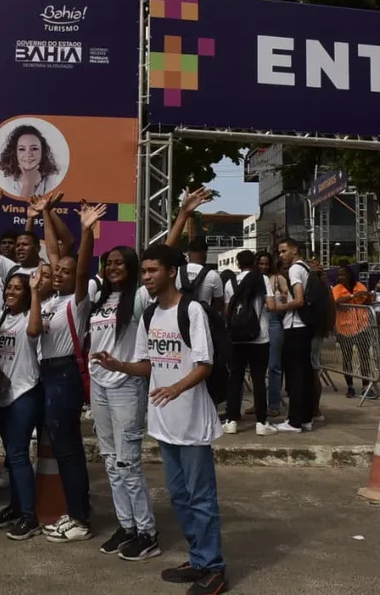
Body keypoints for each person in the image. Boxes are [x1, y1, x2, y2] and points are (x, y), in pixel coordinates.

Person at [131, 244, 228, 595]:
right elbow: (146, 364)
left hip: (191, 422)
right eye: (143, 272)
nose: (147, 277)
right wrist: (118, 365)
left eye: (152, 270)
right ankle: (199, 559)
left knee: (201, 497)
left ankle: (214, 568)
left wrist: (176, 388)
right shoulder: (149, 315)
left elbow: (205, 364)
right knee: (179, 497)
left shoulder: (192, 311)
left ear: (171, 271)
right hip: (163, 423)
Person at [32, 199, 102, 544]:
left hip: (63, 376)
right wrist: (46, 212)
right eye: (54, 270)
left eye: (64, 272)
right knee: (58, 448)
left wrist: (87, 230)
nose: (57, 272)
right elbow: (53, 252)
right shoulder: (48, 302)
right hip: (46, 374)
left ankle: (80, 518)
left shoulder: (78, 300)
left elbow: (81, 265)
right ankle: (71, 511)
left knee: (69, 450)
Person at [88, 246, 159, 560]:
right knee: (110, 460)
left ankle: (147, 533)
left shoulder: (139, 298)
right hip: (99, 386)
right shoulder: (100, 300)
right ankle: (127, 526)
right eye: (108, 263)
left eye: (119, 263)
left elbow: (161, 257)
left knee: (128, 462)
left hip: (126, 385)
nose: (112, 267)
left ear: (132, 267)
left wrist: (183, 215)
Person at [0, 273, 45, 541]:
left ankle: (30, 517)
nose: (10, 292)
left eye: (17, 289)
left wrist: (34, 292)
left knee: (19, 454)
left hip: (25, 392)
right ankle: (16, 506)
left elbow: (34, 331)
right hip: (1, 394)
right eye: (8, 288)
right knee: (11, 456)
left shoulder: (29, 319)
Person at [223, 249, 277, 435]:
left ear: (238, 264)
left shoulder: (230, 282)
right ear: (254, 262)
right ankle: (261, 422)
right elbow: (271, 306)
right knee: (259, 379)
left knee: (235, 378)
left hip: (236, 338)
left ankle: (231, 420)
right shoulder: (262, 279)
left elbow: (227, 310)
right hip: (259, 336)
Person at [275, 238, 314, 434]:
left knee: (295, 376)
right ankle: (305, 418)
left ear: (294, 250)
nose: (281, 255)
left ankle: (294, 421)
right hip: (305, 327)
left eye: (283, 251)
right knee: (305, 374)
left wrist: (279, 307)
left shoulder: (294, 270)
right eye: (279, 252)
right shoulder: (306, 268)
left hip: (295, 326)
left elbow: (299, 301)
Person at [332, 266, 376, 400]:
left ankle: (365, 387)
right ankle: (350, 387)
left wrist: (368, 296)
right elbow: (336, 301)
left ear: (350, 275)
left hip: (362, 326)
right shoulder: (337, 288)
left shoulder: (359, 285)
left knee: (364, 358)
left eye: (343, 274)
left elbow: (366, 299)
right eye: (338, 275)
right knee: (347, 359)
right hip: (345, 329)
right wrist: (352, 296)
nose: (340, 277)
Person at [253, 252, 287, 418]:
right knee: (257, 368)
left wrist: (280, 301)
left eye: (266, 264)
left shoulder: (277, 279)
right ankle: (258, 403)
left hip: (274, 323)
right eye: (261, 264)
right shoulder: (252, 279)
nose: (264, 267)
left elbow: (289, 297)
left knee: (274, 366)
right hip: (257, 324)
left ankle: (273, 404)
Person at [0, 123, 62, 199]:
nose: (28, 154)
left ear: (43, 152)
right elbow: (19, 209)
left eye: (34, 148)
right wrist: (28, 184)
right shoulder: (3, 178)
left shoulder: (54, 178)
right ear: (14, 153)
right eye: (22, 149)